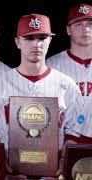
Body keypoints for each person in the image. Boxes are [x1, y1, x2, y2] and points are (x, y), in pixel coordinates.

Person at [0, 14, 83, 178]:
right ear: (17, 42)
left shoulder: (67, 85)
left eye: (42, 37)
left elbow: (74, 128)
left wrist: (64, 158)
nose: (37, 44)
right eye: (29, 38)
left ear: (50, 40)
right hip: (9, 173)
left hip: (52, 173)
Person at [47, 3, 92, 143]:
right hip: (61, 144)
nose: (85, 29)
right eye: (78, 24)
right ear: (68, 30)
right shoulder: (51, 66)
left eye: (90, 23)